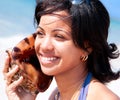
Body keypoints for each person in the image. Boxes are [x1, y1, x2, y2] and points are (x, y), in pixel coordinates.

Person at [3, 0, 120, 100]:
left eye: (59, 36)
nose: (44, 46)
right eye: (40, 33)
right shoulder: (57, 95)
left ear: (87, 47)